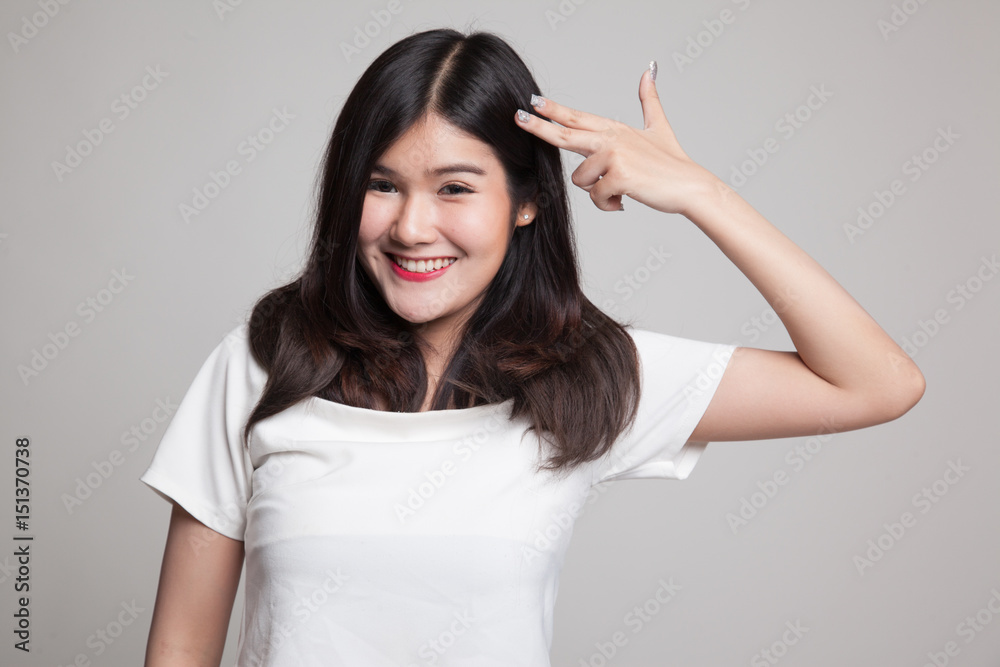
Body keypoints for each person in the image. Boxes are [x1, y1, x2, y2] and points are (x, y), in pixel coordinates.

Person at [140, 27, 925, 667]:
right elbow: (180, 647)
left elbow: (875, 383)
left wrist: (699, 193)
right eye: (382, 185)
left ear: (526, 204)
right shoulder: (262, 366)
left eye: (454, 188)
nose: (412, 227)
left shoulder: (585, 375)